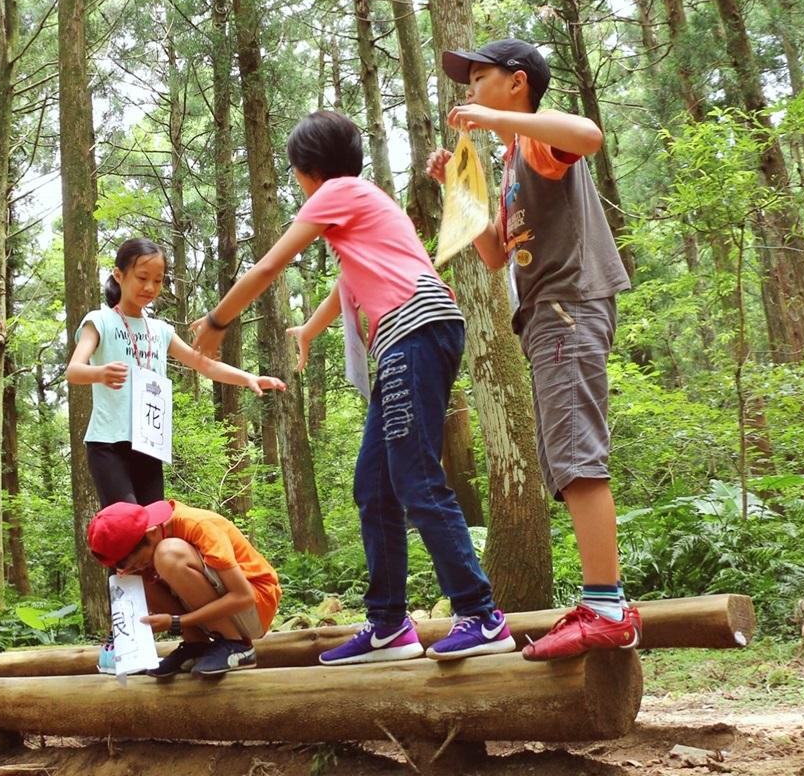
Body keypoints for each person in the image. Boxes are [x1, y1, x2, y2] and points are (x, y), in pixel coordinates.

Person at [191, 110, 514, 664]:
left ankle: (481, 615)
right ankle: (390, 625)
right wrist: (310, 330)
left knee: (415, 478)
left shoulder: (337, 193)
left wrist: (217, 325)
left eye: (295, 174)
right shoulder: (364, 204)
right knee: (375, 486)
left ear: (307, 171)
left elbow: (269, 266)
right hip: (408, 337)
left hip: (415, 332)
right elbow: (350, 283)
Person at [430, 38, 637, 660]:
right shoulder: (511, 166)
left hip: (568, 305)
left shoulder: (538, 143)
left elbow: (589, 134)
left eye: (479, 77)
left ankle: (606, 608)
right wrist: (458, 190)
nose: (468, 87)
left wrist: (494, 123)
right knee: (563, 457)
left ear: (516, 83)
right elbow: (496, 256)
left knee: (576, 455)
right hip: (544, 314)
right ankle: (602, 601)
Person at [66, 237, 286, 673]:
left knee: (162, 542)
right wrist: (99, 372)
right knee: (123, 544)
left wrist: (249, 379)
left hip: (149, 445)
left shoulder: (160, 330)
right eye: (141, 278)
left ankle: (196, 636)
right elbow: (74, 369)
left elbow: (204, 364)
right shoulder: (100, 321)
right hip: (109, 445)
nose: (150, 287)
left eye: (158, 281)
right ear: (119, 275)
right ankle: (125, 640)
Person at [87, 499, 281, 678]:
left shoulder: (197, 524)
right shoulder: (153, 536)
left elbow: (243, 596)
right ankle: (196, 644)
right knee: (130, 575)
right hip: (220, 611)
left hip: (255, 605)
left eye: (140, 562)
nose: (140, 568)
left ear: (151, 532)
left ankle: (236, 645)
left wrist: (176, 622)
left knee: (167, 554)